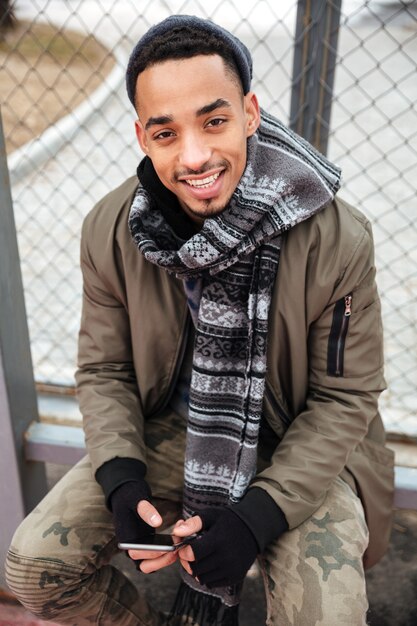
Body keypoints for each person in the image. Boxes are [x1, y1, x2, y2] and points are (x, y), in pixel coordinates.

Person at [6, 14, 395, 626]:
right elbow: (104, 367)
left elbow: (346, 397)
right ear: (141, 136)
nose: (193, 156)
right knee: (33, 568)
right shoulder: (112, 231)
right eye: (166, 133)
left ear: (250, 112)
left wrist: (255, 518)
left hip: (297, 446)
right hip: (173, 430)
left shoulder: (337, 237)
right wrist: (121, 481)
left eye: (214, 121)